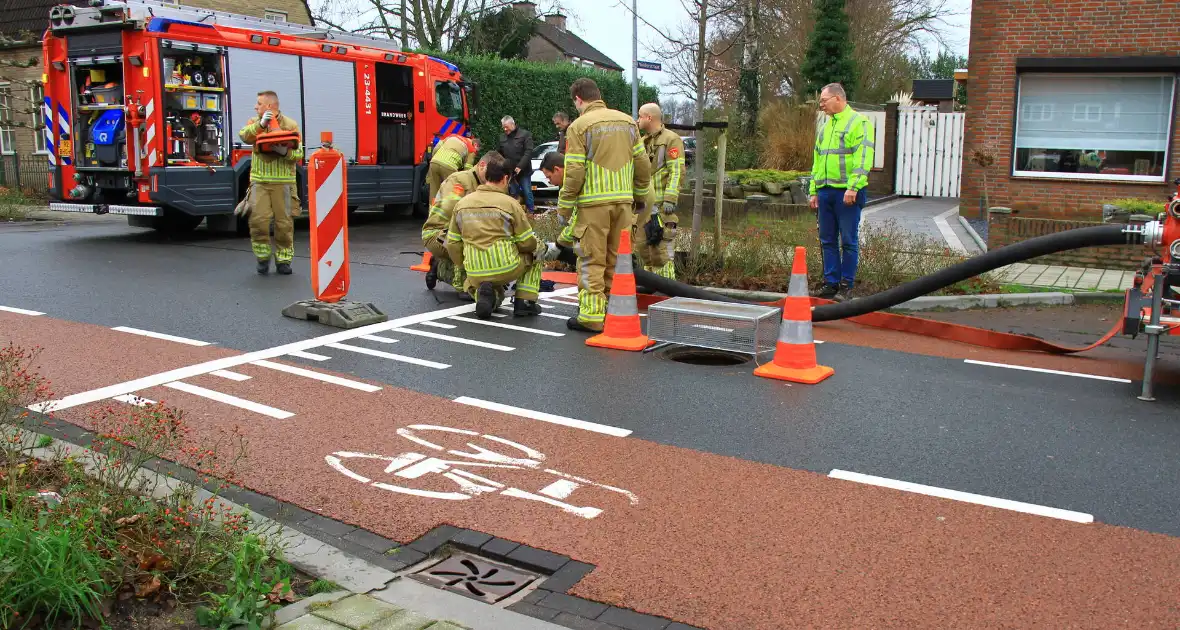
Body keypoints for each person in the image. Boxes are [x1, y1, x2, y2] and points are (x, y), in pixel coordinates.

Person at [556, 78, 652, 332]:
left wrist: (564, 208)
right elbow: (642, 164)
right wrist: (640, 196)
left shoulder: (578, 127)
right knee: (615, 260)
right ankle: (612, 310)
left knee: (591, 260)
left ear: (578, 99)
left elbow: (574, 171)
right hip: (623, 203)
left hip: (593, 206)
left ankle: (590, 315)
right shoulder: (628, 122)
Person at [446, 154, 558, 320]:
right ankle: (525, 303)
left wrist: (464, 264)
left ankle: (487, 297)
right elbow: (527, 242)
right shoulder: (510, 204)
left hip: (474, 269)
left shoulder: (462, 204)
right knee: (536, 252)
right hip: (505, 267)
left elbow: (453, 243)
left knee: (492, 294)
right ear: (506, 178)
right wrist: (544, 248)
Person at [808, 82, 875, 302]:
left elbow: (863, 158)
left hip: (847, 193)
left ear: (838, 98)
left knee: (848, 240)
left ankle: (846, 285)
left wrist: (853, 187)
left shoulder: (859, 123)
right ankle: (831, 283)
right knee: (827, 240)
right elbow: (817, 161)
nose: (821, 105)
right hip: (826, 192)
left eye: (824, 101)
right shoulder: (826, 127)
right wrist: (814, 190)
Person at [238, 90, 303, 276]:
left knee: (284, 225)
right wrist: (261, 124)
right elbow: (244, 136)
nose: (255, 106)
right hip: (260, 182)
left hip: (283, 184)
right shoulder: (254, 123)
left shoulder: (290, 125)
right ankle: (263, 258)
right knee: (258, 222)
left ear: (269, 106)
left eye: (258, 103)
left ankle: (284, 261)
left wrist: (285, 153)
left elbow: (299, 154)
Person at [421, 150, 502, 295]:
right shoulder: (459, 181)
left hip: (455, 235)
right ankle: (445, 271)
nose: (494, 179)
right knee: (473, 251)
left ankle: (443, 264)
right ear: (482, 165)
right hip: (437, 234)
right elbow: (453, 215)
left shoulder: (483, 185)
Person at [635, 102, 685, 280]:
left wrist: (670, 199)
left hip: (662, 208)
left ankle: (666, 289)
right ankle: (653, 286)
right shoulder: (642, 141)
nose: (637, 119)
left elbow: (677, 170)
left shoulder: (671, 139)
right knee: (644, 249)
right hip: (645, 207)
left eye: (640, 116)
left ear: (649, 117)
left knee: (660, 252)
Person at [497, 116, 535, 213]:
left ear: (512, 124)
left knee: (527, 191)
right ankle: (516, 212)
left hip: (524, 170)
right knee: (513, 193)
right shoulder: (502, 138)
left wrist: (520, 166)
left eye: (506, 127)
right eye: (503, 127)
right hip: (510, 172)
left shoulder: (525, 134)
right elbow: (499, 153)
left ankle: (531, 212)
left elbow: (528, 152)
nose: (505, 129)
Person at [427, 133, 479, 201]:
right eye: (477, 150)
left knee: (434, 190)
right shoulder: (472, 149)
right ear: (476, 145)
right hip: (450, 166)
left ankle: (432, 210)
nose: (476, 152)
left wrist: (434, 159)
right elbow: (467, 170)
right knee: (451, 191)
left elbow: (436, 147)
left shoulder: (452, 136)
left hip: (434, 163)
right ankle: (447, 209)